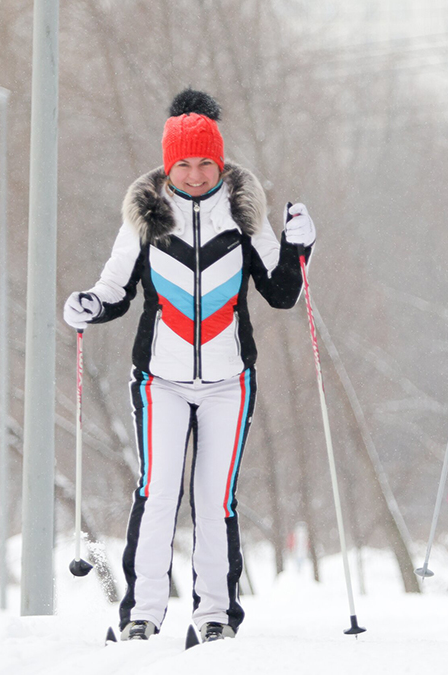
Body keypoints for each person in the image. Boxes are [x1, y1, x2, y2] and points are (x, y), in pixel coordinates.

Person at [63, 89, 316, 643]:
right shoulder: (146, 216)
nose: (196, 174)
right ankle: (142, 613)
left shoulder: (245, 213)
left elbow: (281, 294)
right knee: (158, 492)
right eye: (184, 164)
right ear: (168, 165)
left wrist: (300, 249)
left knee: (214, 500)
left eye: (206, 163)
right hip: (160, 381)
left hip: (230, 382)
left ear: (219, 162)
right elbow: (115, 287)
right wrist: (90, 305)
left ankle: (215, 616)